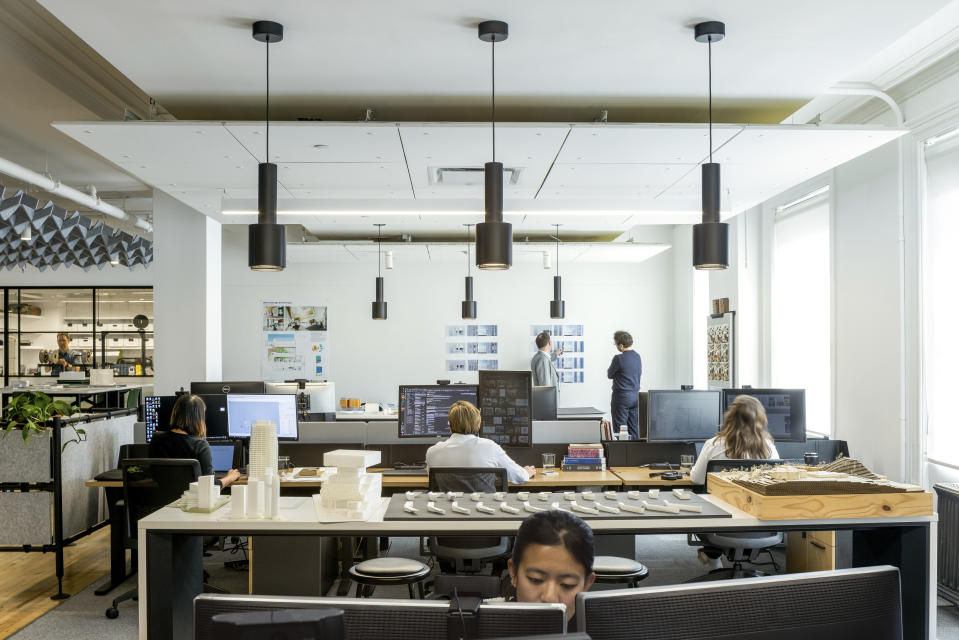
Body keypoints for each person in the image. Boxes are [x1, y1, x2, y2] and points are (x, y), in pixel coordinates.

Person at [508, 510, 596, 625]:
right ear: (513, 573)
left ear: (587, 584)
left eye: (567, 585)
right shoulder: (485, 628)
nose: (549, 598)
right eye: (535, 579)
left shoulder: (603, 631)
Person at [426, 400, 535, 485]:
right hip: (484, 510)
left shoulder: (432, 452)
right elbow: (519, 477)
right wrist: (527, 472)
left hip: (448, 511)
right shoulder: (490, 447)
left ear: (450, 427)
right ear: (478, 426)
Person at [149, 393, 241, 487]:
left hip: (163, 500)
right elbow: (209, 486)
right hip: (192, 500)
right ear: (199, 418)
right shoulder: (200, 445)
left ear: (175, 413)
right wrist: (230, 477)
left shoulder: (156, 438)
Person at [689, 394, 780, 485]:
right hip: (755, 499)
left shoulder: (713, 444)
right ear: (760, 420)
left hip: (720, 498)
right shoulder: (768, 447)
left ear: (730, 417)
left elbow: (697, 479)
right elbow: (776, 481)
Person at [606, 330, 642, 439]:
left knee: (620, 430)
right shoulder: (637, 356)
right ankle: (635, 454)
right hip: (636, 396)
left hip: (622, 397)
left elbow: (609, 374)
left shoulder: (618, 358)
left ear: (621, 345)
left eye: (616, 344)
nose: (616, 346)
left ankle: (621, 455)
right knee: (633, 428)